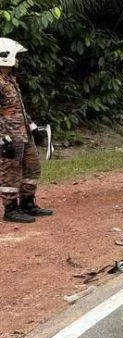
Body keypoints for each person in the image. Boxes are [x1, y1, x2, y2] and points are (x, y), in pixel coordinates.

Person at [1, 37, 53, 223]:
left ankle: (27, 203)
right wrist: (2, 139)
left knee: (33, 167)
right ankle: (10, 209)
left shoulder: (10, 79)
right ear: (6, 56)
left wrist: (33, 127)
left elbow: (19, 109)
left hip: (23, 134)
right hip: (9, 136)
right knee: (11, 171)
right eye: (15, 56)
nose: (18, 60)